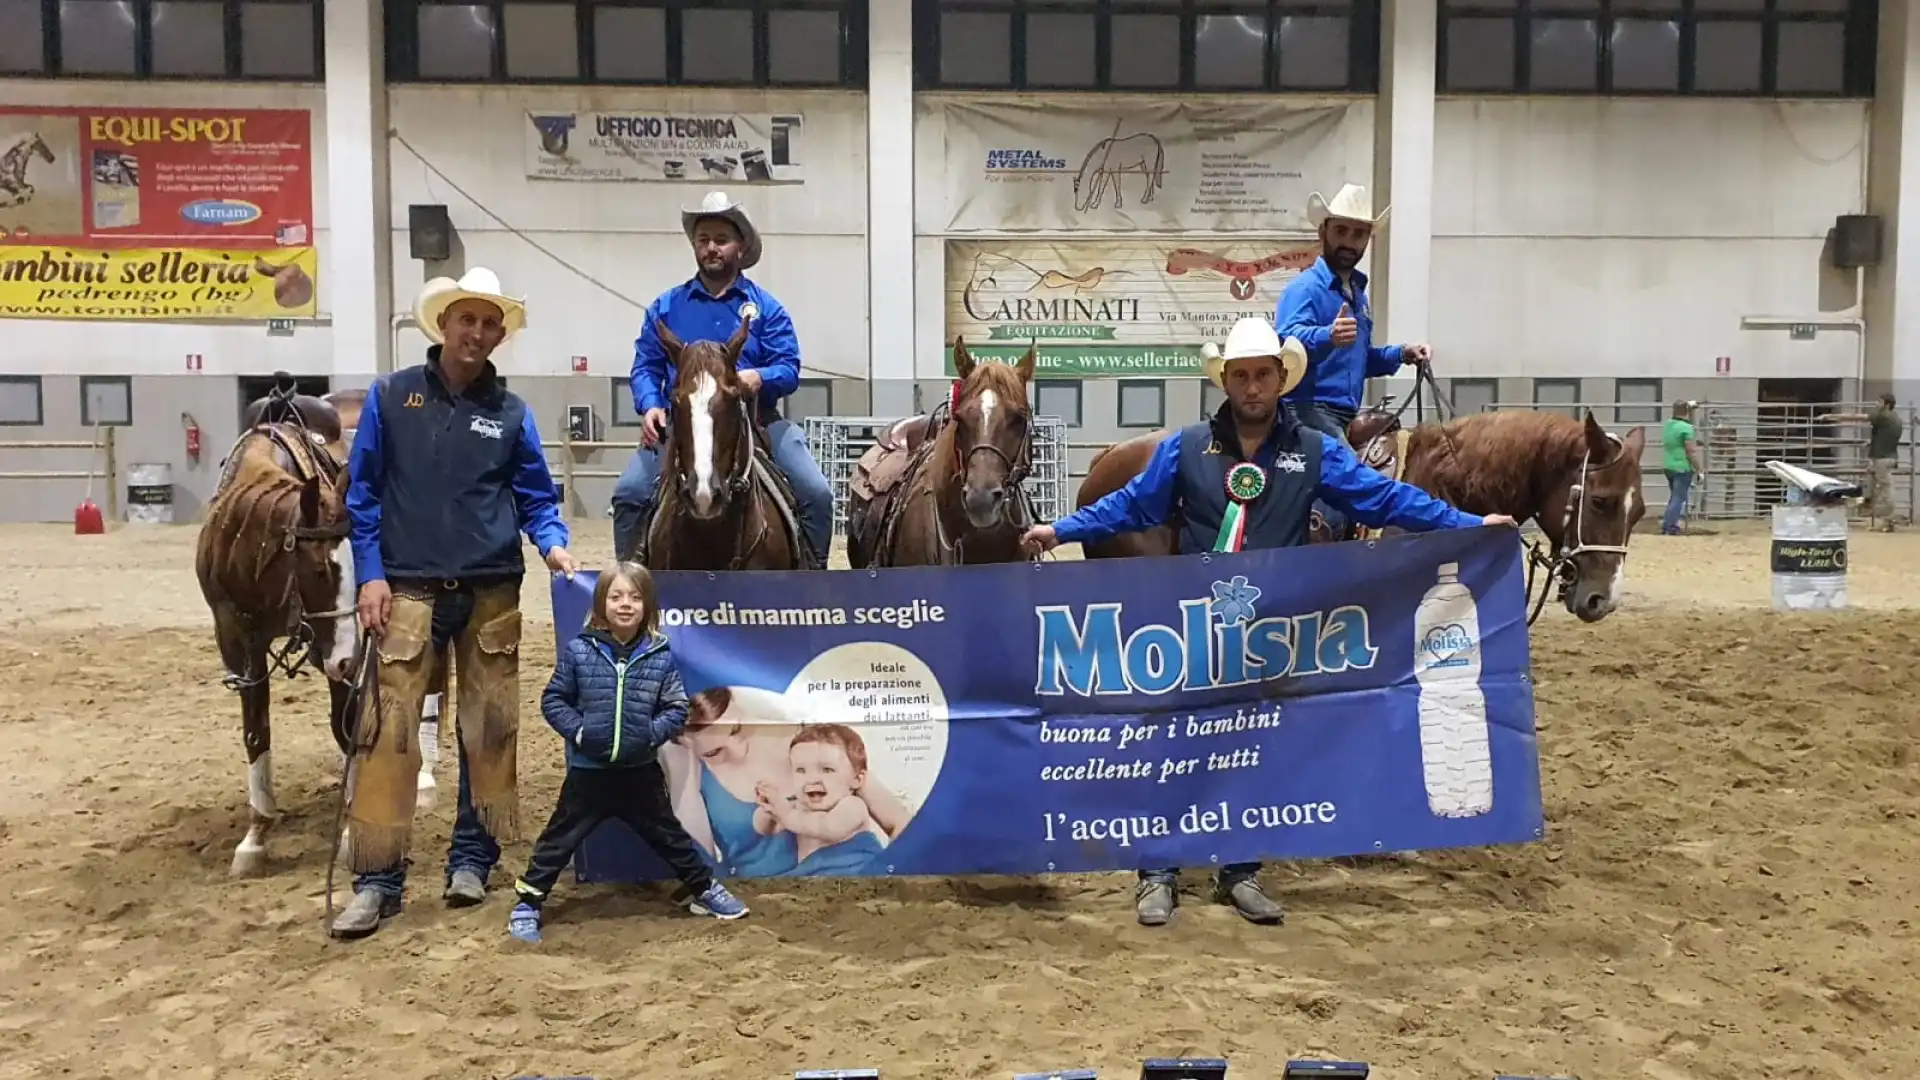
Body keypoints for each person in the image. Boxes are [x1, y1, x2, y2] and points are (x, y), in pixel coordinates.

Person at [1019, 316, 1515, 928]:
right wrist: (1061, 529)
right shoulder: (1186, 447)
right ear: (1225, 381)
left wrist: (1467, 527)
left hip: (1270, 634)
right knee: (1175, 743)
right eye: (1241, 376)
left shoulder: (1314, 451)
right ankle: (1158, 870)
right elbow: (1131, 504)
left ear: (1281, 378)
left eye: (1263, 375)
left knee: (1250, 747)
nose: (1252, 386)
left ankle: (1240, 869)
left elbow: (1384, 500)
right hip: (1192, 628)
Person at [332, 267, 578, 940]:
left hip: (490, 588)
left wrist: (553, 546)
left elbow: (535, 496)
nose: (476, 332)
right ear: (443, 324)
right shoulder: (392, 398)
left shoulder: (511, 413)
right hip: (406, 587)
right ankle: (377, 879)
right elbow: (364, 495)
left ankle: (473, 858)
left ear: (499, 334)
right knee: (389, 732)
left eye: (489, 323)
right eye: (465, 319)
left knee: (489, 727)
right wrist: (371, 576)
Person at [508, 562, 749, 943]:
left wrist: (650, 734)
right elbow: (554, 700)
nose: (625, 604)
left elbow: (675, 708)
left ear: (647, 606)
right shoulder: (579, 651)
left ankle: (704, 890)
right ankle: (527, 903)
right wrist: (580, 731)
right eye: (616, 596)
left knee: (670, 835)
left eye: (635, 597)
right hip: (589, 773)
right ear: (601, 603)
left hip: (640, 772)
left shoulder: (659, 656)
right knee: (560, 839)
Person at [610, 191, 833, 568]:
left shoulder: (767, 308)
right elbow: (646, 365)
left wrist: (758, 378)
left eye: (721, 240)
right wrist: (649, 406)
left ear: (740, 247)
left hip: (758, 422)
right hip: (682, 423)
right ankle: (630, 584)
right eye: (703, 240)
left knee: (817, 493)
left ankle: (810, 583)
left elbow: (788, 367)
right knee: (630, 493)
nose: (711, 247)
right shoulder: (665, 308)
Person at [1275, 184, 1431, 537]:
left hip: (1343, 411)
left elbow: (1359, 359)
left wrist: (1401, 354)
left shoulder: (1357, 294)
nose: (1350, 241)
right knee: (1344, 472)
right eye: (1341, 231)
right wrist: (1326, 336)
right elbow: (1286, 341)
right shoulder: (1305, 289)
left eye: (1359, 234)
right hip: (1305, 406)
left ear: (1368, 240)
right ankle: (1322, 539)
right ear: (1323, 232)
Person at [751, 724, 888, 876]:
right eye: (801, 770)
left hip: (855, 872)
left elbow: (829, 828)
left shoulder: (853, 805)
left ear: (856, 779)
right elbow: (764, 829)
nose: (812, 779)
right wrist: (769, 809)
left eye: (827, 769)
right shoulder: (796, 807)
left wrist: (787, 815)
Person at [1822, 394, 1902, 532]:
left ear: (1887, 404)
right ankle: (1867, 502)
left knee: (1886, 489)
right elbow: (1887, 436)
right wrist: (1872, 443)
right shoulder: (1894, 418)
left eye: (1879, 402)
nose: (1876, 404)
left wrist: (1832, 416)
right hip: (1884, 457)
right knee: (1870, 479)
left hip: (1882, 459)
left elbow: (1859, 417)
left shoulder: (1883, 416)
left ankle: (1887, 519)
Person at [1661, 400, 1705, 536]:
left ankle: (1667, 525)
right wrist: (1699, 469)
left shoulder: (1669, 425)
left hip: (1669, 466)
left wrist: (1689, 408)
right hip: (1682, 467)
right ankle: (1670, 527)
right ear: (1686, 411)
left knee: (1674, 497)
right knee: (1679, 498)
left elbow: (1681, 418)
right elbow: (1690, 451)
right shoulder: (1686, 428)